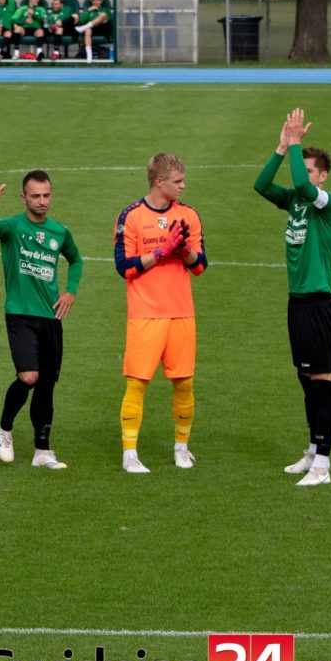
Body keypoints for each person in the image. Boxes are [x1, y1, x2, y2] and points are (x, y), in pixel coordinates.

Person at [253, 108, 331, 486]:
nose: (303, 175)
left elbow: (303, 186)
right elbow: (261, 185)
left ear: (322, 175)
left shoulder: (327, 202)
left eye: (309, 169)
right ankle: (312, 449)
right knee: (306, 378)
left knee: (322, 379)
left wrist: (296, 144)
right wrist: (280, 147)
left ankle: (323, 464)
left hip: (319, 302)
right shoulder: (294, 202)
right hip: (298, 302)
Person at [0, 170, 82, 470]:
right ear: (23, 197)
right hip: (20, 314)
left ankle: (43, 451)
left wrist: (70, 292)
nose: (42, 201)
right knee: (29, 377)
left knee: (46, 384)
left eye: (46, 195)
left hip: (50, 316)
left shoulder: (59, 231)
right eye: (35, 196)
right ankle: (4, 428)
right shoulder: (12, 227)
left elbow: (76, 259)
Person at [113, 153, 207, 473]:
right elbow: (123, 267)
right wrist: (160, 252)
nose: (183, 186)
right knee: (137, 383)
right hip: (145, 314)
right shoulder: (131, 217)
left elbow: (200, 266)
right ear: (159, 181)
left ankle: (182, 447)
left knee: (184, 383)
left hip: (181, 313)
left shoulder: (189, 216)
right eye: (177, 181)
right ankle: (129, 454)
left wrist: (183, 251)